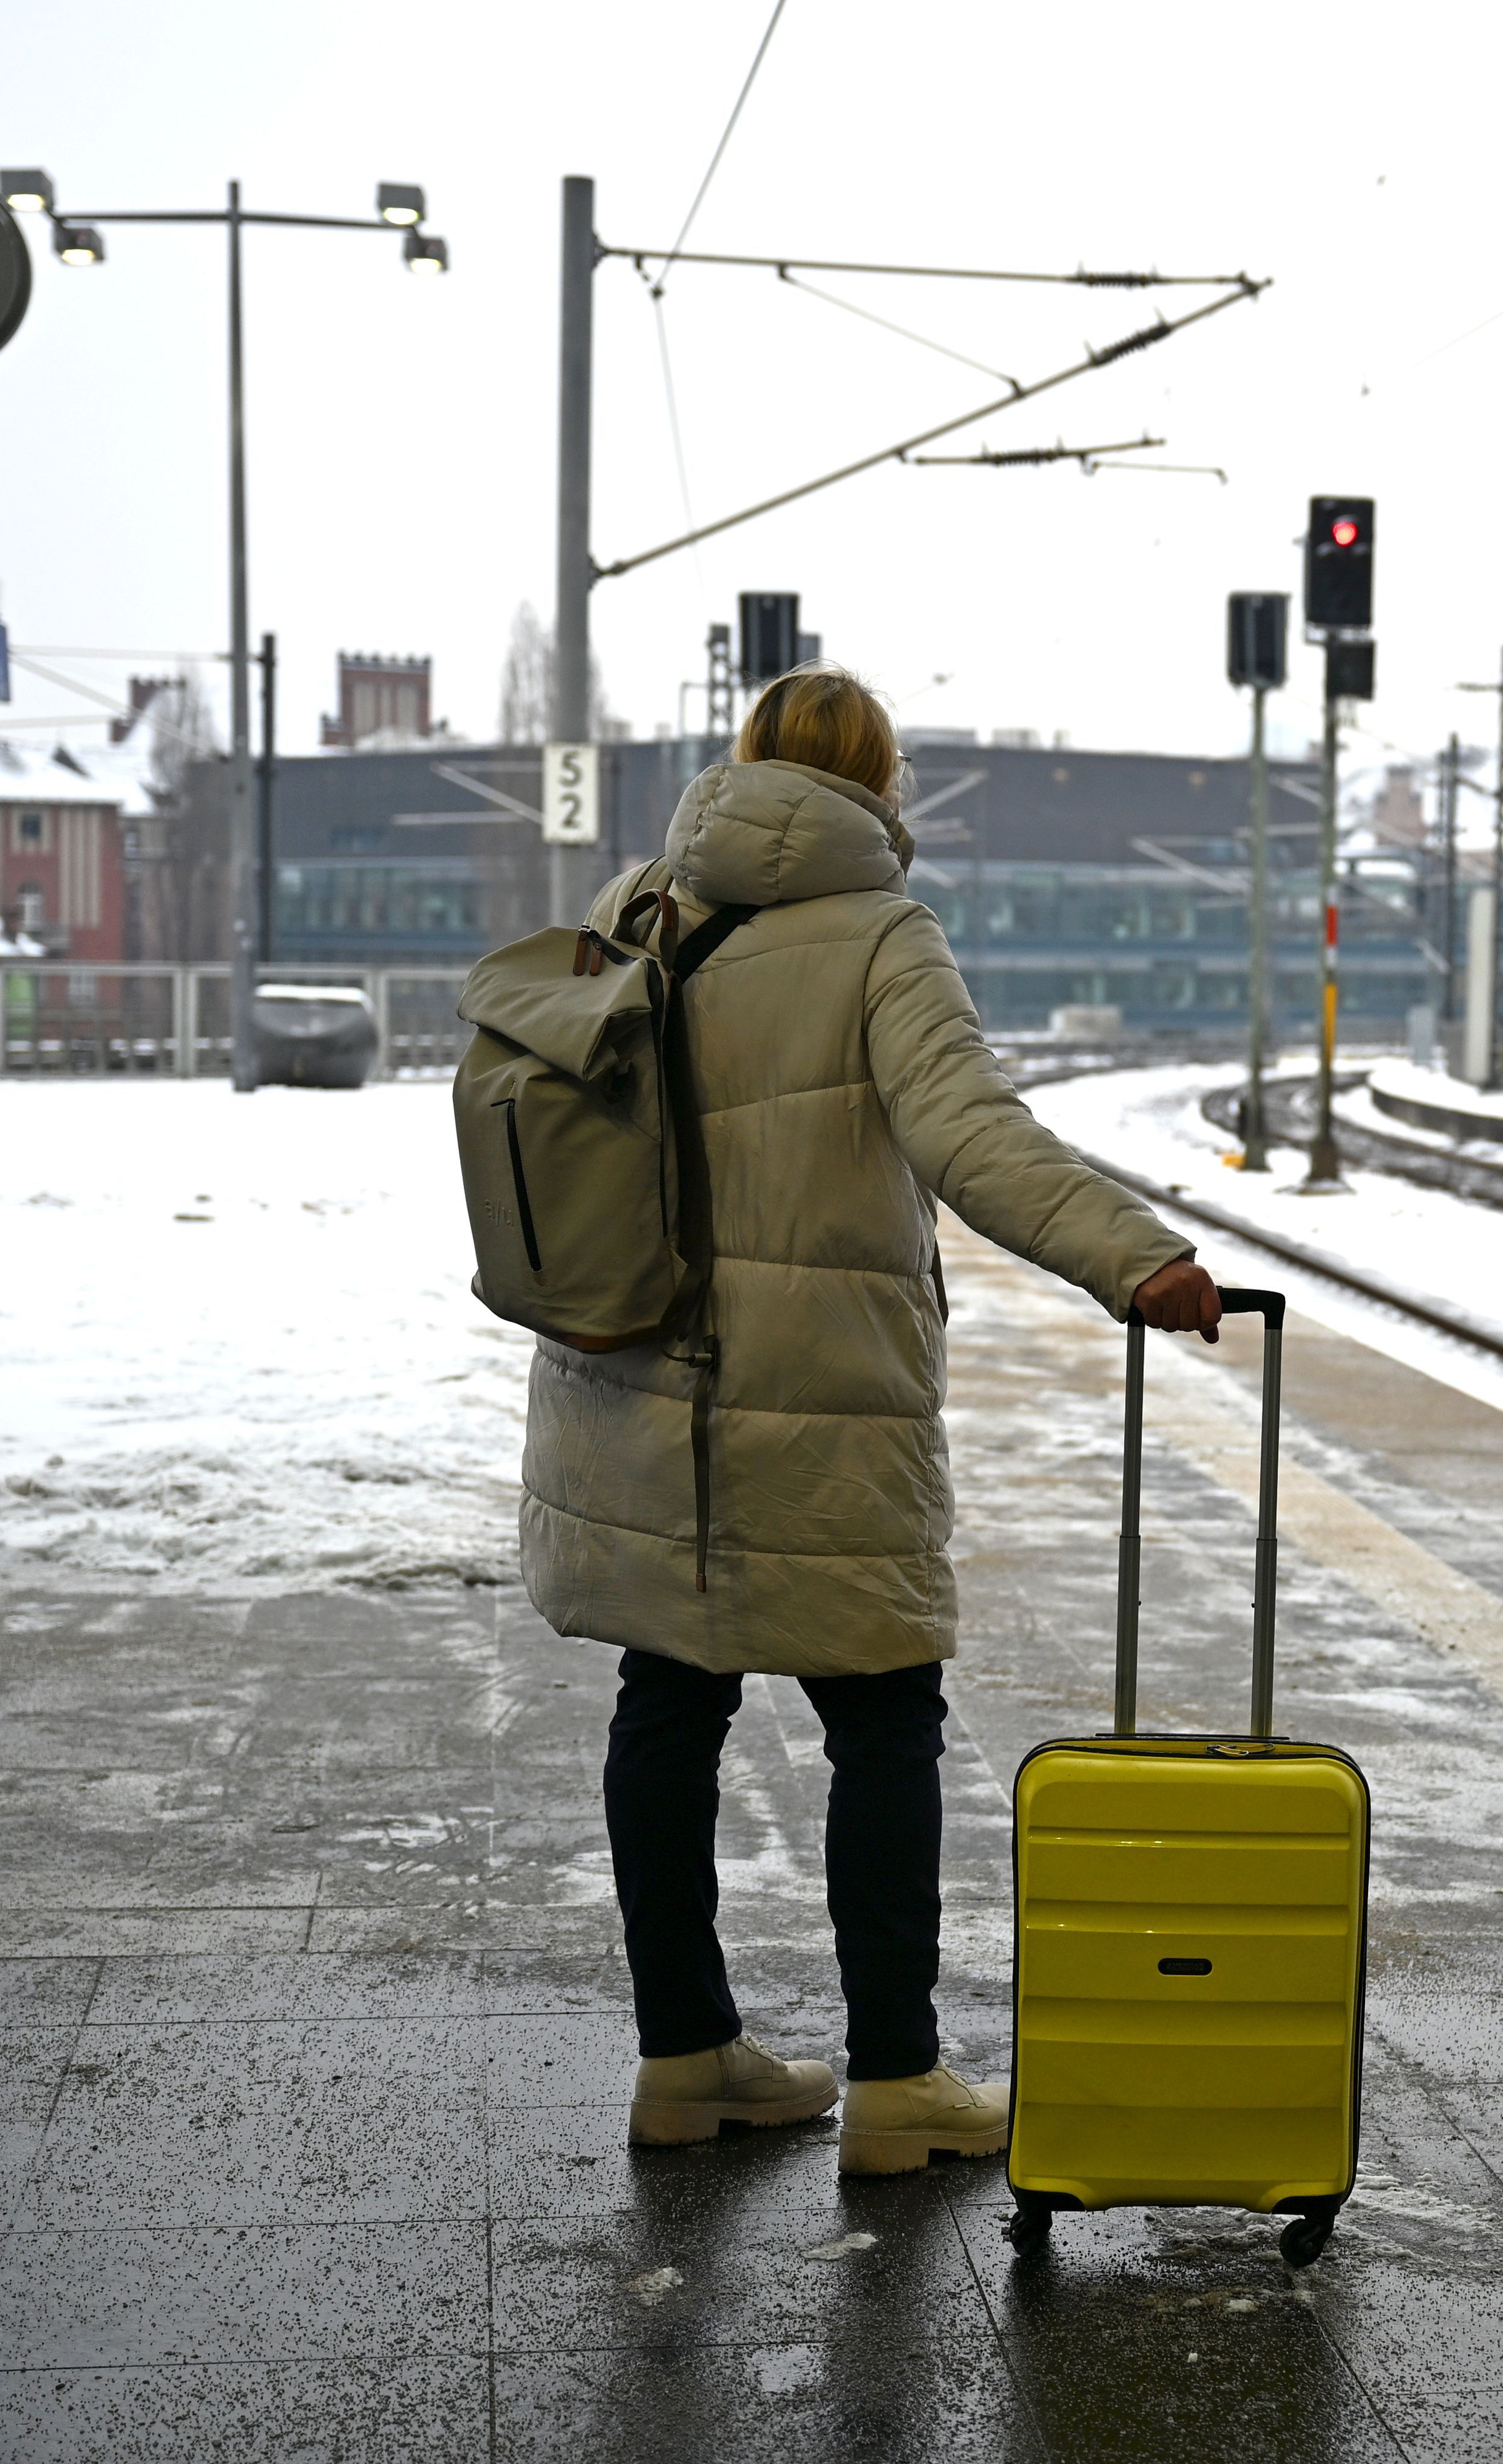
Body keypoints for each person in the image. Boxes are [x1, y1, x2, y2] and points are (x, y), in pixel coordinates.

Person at [520, 663, 1221, 2171]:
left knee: (670, 1701)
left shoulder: (643, 902)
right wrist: (1136, 1256)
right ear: (879, 786)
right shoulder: (883, 938)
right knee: (887, 1718)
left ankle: (685, 2053)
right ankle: (898, 2078)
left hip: (639, 1374)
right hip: (824, 1398)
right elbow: (974, 1133)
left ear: (749, 763)